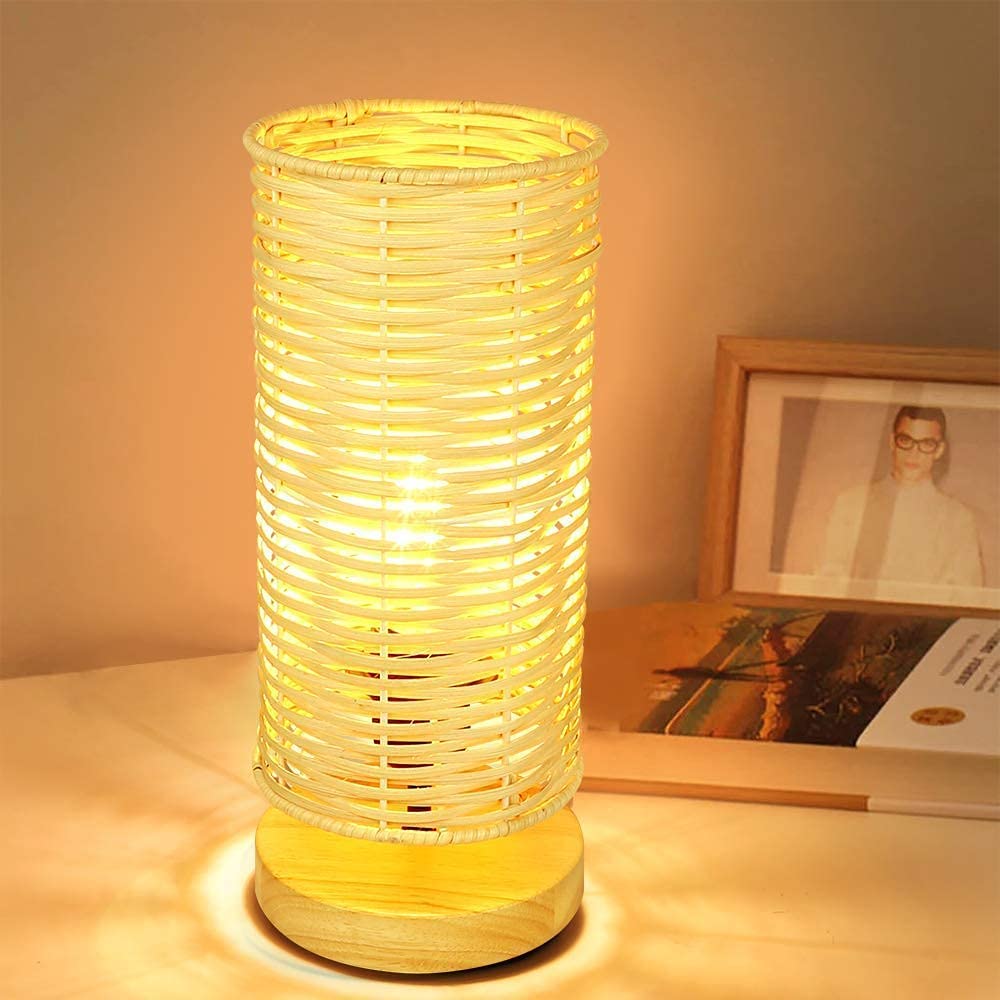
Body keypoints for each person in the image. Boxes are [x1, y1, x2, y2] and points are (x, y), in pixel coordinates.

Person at [818, 405, 983, 587]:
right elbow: (829, 578)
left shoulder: (959, 520)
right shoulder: (851, 504)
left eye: (927, 444)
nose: (913, 453)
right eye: (906, 440)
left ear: (939, 450)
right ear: (892, 442)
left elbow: (964, 591)